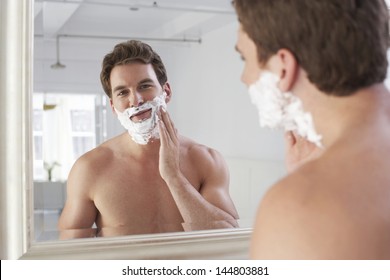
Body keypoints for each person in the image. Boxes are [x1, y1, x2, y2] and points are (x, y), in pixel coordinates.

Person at [233, 0, 390, 259]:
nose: (244, 77)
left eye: (244, 57)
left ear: (283, 67)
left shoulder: (299, 209)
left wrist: (307, 187)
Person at [58, 40, 238, 238]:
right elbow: (70, 254)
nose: (135, 100)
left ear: (166, 92)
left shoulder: (206, 160)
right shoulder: (89, 168)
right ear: (113, 106)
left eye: (144, 86)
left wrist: (174, 177)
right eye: (122, 92)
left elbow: (227, 239)